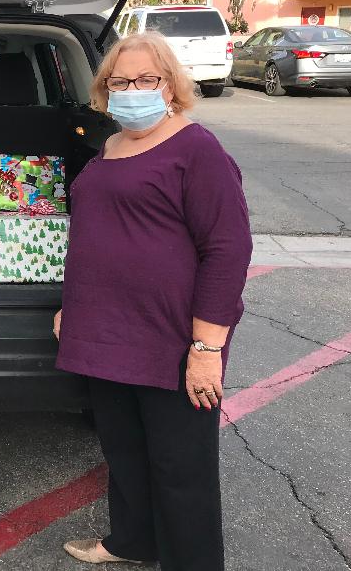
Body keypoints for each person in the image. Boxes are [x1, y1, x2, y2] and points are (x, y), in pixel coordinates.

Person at [54, 32, 252, 570]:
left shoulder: (196, 148)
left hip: (171, 340)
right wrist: (75, 307)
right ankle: (132, 542)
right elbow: (100, 233)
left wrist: (207, 348)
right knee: (125, 454)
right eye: (121, 82)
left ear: (171, 85)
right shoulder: (111, 146)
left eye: (147, 80)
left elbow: (228, 250)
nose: (133, 90)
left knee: (180, 468)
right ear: (105, 89)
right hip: (105, 332)